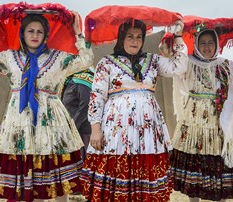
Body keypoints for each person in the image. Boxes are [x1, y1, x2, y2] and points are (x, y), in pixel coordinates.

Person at [0, 11, 94, 201]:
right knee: (23, 181)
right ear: (22, 33)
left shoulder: (58, 58)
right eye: (30, 31)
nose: (34, 35)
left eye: (39, 31)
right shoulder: (10, 58)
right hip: (20, 123)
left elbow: (86, 59)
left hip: (51, 123)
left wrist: (77, 31)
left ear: (46, 35)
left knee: (57, 179)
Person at [80, 19, 188, 201]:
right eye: (130, 36)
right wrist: (95, 130)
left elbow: (179, 67)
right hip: (116, 131)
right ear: (121, 38)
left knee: (144, 178)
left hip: (148, 131)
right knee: (118, 176)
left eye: (139, 37)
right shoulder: (107, 63)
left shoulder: (153, 60)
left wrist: (177, 36)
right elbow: (96, 97)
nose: (135, 41)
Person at [170, 28, 233, 202]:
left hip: (218, 120)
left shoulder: (226, 64)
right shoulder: (189, 62)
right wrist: (175, 36)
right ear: (196, 45)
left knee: (218, 159)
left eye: (210, 43)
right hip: (193, 120)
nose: (206, 47)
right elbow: (174, 62)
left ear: (217, 45)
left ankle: (220, 197)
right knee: (194, 159)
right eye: (202, 43)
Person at [61, 67, 95, 161]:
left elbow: (86, 105)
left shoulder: (82, 79)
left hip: (80, 132)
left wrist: (73, 128)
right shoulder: (72, 78)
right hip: (73, 130)